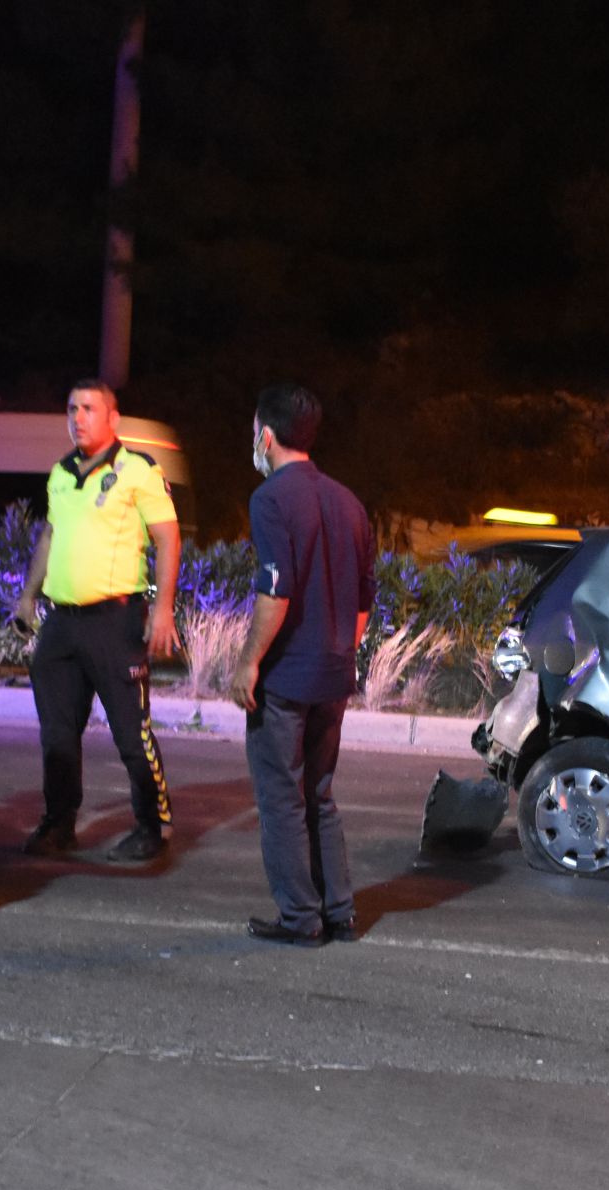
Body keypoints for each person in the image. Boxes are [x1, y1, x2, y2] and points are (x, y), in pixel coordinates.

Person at [11, 379, 181, 864]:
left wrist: (164, 607)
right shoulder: (61, 473)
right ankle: (59, 823)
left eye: (89, 408)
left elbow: (168, 537)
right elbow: (49, 534)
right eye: (72, 408)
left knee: (132, 733)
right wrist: (28, 596)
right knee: (57, 735)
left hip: (115, 619)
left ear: (113, 418)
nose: (78, 416)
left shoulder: (138, 470)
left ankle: (153, 824)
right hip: (62, 623)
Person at [232, 383, 374, 946]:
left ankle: (300, 918)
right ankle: (339, 911)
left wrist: (248, 663)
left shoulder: (269, 500)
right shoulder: (349, 502)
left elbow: (275, 591)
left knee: (282, 799)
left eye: (253, 433)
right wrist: (338, 652)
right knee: (321, 794)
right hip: (333, 676)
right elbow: (364, 600)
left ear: (267, 436)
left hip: (286, 677)